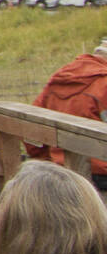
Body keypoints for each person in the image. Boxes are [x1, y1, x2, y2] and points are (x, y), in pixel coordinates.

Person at [23, 40, 107, 193]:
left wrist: (48, 161)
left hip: (61, 174)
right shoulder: (103, 84)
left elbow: (31, 131)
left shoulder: (60, 78)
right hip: (101, 176)